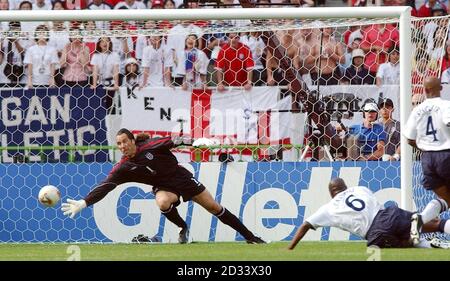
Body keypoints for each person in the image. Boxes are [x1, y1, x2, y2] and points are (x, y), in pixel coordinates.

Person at [61, 129, 266, 244]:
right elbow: (105, 186)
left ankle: (250, 237)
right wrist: (84, 202)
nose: (122, 146)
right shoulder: (124, 167)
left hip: (181, 177)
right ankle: (183, 228)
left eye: (125, 141)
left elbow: (175, 140)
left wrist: (195, 141)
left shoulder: (150, 146)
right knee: (162, 202)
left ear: (132, 140)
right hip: (163, 186)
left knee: (214, 207)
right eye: (119, 144)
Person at [288, 178, 450, 250]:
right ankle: (434, 214)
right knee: (429, 225)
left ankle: (425, 239)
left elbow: (305, 225)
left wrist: (290, 248)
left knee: (406, 243)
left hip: (376, 232)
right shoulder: (359, 189)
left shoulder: (328, 208)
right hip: (389, 214)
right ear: (346, 187)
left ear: (331, 193)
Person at [404, 76, 450, 245]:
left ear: (425, 90)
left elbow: (409, 138)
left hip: (427, 159)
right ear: (441, 88)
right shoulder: (446, 105)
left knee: (446, 199)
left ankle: (420, 219)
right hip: (446, 155)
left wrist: (425, 148)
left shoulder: (417, 110)